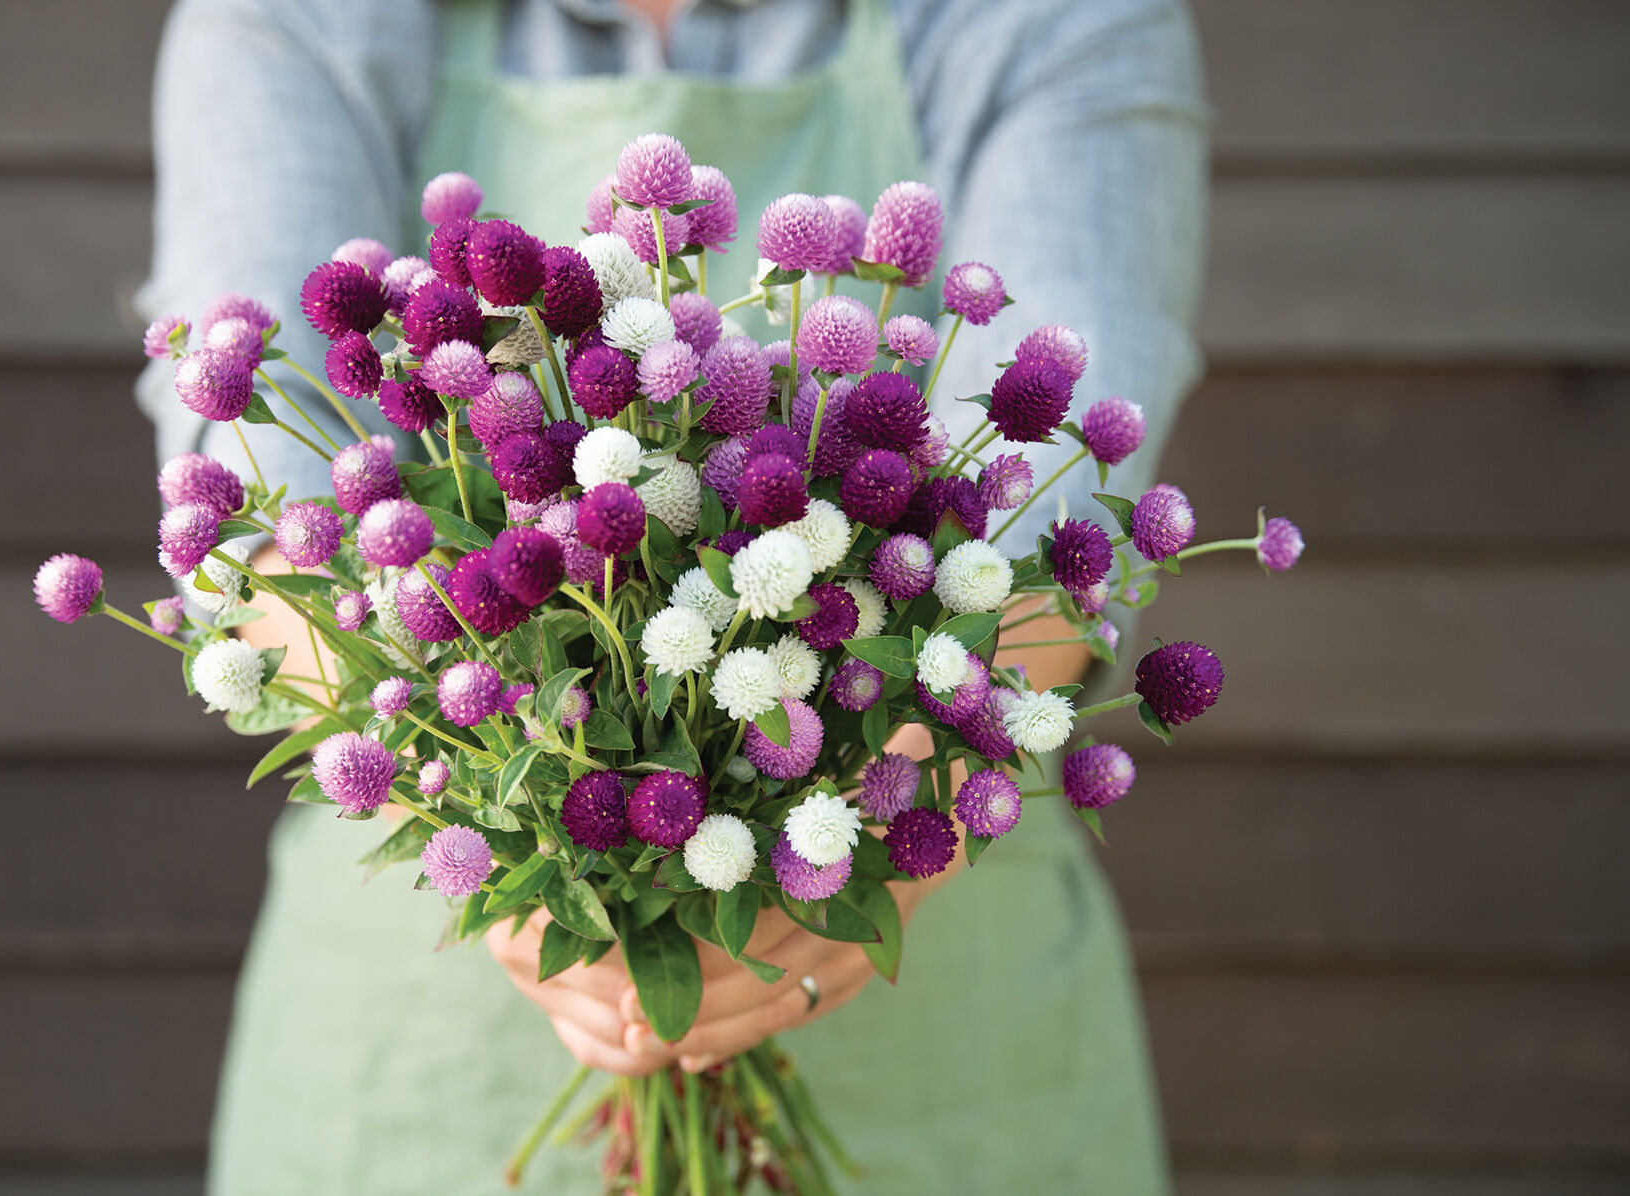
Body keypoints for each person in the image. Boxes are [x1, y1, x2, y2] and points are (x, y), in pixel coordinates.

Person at [136, 0, 1207, 1190]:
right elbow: (280, 523)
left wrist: (878, 832)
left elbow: (1044, 533)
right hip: (419, 1085)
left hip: (957, 1073)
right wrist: (494, 841)